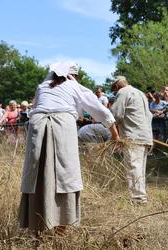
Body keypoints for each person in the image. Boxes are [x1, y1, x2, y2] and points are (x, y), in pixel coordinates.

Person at [18, 61, 119, 233]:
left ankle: (38, 233)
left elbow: (37, 107)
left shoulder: (42, 86)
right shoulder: (73, 85)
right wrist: (115, 135)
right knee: (64, 175)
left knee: (38, 175)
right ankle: (60, 231)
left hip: (37, 125)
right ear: (72, 75)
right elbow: (98, 109)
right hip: (61, 127)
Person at [111, 76, 153, 204]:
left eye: (113, 90)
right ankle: (141, 196)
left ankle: (138, 199)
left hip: (132, 136)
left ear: (117, 86)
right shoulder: (140, 93)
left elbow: (115, 115)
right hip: (145, 136)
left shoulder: (123, 92)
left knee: (133, 168)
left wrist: (112, 132)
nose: (114, 92)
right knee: (139, 169)